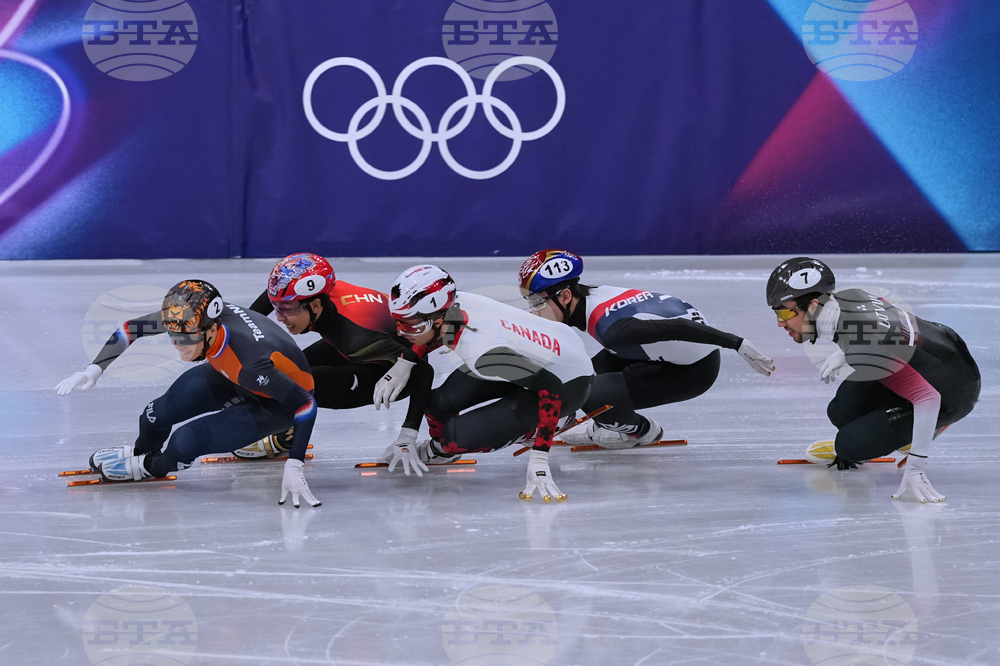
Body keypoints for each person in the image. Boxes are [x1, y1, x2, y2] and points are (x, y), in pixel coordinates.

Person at [55, 280, 322, 507]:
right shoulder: (190, 317)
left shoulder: (250, 361)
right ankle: (142, 452)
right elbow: (131, 329)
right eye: (172, 336)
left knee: (186, 441)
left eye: (185, 339)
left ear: (211, 330)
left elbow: (306, 403)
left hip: (276, 403)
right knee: (155, 414)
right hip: (234, 374)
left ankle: (153, 466)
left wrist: (295, 464)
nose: (177, 345)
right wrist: (94, 369)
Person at [766, 257, 981, 502]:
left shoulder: (864, 348)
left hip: (953, 393)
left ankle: (929, 426)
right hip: (946, 349)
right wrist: (843, 352)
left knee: (848, 447)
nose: (780, 322)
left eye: (784, 312)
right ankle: (904, 427)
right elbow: (889, 317)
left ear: (813, 306)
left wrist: (916, 467)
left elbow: (929, 398)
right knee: (841, 411)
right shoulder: (851, 296)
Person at [517, 249, 775, 448]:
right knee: (578, 377)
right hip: (661, 350)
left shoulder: (613, 330)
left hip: (692, 372)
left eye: (538, 302)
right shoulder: (592, 295)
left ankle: (642, 431)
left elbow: (678, 327)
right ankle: (573, 417)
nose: (534, 311)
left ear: (564, 297)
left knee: (591, 394)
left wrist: (737, 343)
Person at [384, 264, 595, 502]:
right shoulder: (455, 305)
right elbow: (432, 332)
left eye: (411, 325)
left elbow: (551, 386)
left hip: (569, 383)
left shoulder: (482, 353)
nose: (402, 333)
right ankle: (444, 449)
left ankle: (552, 422)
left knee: (455, 437)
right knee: (437, 404)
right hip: (539, 353)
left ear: (439, 320)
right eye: (399, 323)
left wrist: (540, 456)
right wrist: (408, 360)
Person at [243, 253, 434, 473]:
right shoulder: (319, 293)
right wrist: (242, 331)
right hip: (364, 347)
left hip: (391, 373)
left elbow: (423, 370)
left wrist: (408, 434)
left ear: (315, 305)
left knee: (295, 384)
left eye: (287, 310)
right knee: (283, 371)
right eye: (278, 307)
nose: (279, 317)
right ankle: (286, 426)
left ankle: (284, 437)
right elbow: (273, 297)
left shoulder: (355, 338)